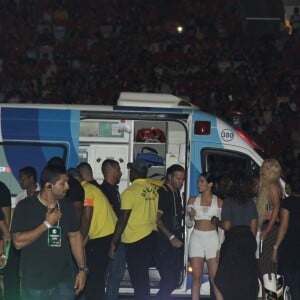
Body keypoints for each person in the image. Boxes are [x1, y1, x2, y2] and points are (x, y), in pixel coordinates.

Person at [10, 164, 87, 300]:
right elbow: (17, 242)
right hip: (35, 282)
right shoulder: (25, 206)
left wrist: (82, 269)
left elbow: (75, 236)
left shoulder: (67, 206)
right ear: (48, 186)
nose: (67, 187)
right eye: (63, 183)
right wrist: (47, 224)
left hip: (63, 280)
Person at [108, 158, 158, 300]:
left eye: (131, 170)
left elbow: (123, 219)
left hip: (136, 240)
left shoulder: (130, 192)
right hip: (151, 237)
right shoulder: (153, 190)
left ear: (135, 173)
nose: (129, 173)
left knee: (138, 280)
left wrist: (113, 243)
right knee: (143, 279)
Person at [212, 170, 258, 300]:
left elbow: (227, 225)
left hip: (234, 241)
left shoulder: (229, 201)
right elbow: (253, 225)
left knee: (228, 279)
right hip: (248, 240)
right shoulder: (251, 202)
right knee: (246, 279)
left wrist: (216, 221)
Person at [77, 162, 117, 300]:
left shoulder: (86, 190)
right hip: (104, 235)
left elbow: (87, 219)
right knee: (96, 278)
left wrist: (80, 243)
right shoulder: (91, 188)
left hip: (102, 237)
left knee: (94, 278)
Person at [4, 166, 40, 300]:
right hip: (21, 238)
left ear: (31, 179)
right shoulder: (20, 197)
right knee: (11, 270)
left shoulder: (42, 194)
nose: (19, 181)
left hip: (36, 238)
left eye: (22, 178)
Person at [186, 172, 223, 300]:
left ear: (210, 184)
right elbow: (189, 224)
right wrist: (190, 216)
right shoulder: (192, 200)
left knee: (215, 279)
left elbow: (222, 228)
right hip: (196, 238)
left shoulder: (218, 202)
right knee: (196, 277)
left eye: (201, 181)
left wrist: (220, 247)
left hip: (212, 238)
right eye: (198, 181)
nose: (198, 184)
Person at [155, 164, 185, 299]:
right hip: (164, 243)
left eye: (182, 179)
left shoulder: (176, 193)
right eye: (178, 179)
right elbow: (157, 220)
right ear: (169, 177)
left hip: (176, 242)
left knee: (173, 279)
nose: (181, 182)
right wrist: (171, 237)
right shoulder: (163, 193)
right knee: (169, 279)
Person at [99, 159, 125, 300]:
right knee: (111, 277)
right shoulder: (102, 191)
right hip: (109, 240)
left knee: (115, 277)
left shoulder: (114, 190)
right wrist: (113, 243)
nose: (120, 172)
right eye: (118, 168)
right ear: (111, 169)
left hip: (116, 240)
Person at [256, 159, 282, 295]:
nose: (263, 170)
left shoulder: (272, 185)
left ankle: (273, 295)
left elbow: (277, 206)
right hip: (269, 226)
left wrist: (268, 228)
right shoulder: (268, 185)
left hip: (272, 227)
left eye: (267, 168)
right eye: (263, 167)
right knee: (267, 265)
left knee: (267, 265)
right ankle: (272, 295)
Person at [272, 174, 300, 299]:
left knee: (280, 280)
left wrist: (275, 247)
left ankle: (275, 298)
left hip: (289, 246)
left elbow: (283, 227)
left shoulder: (287, 203)